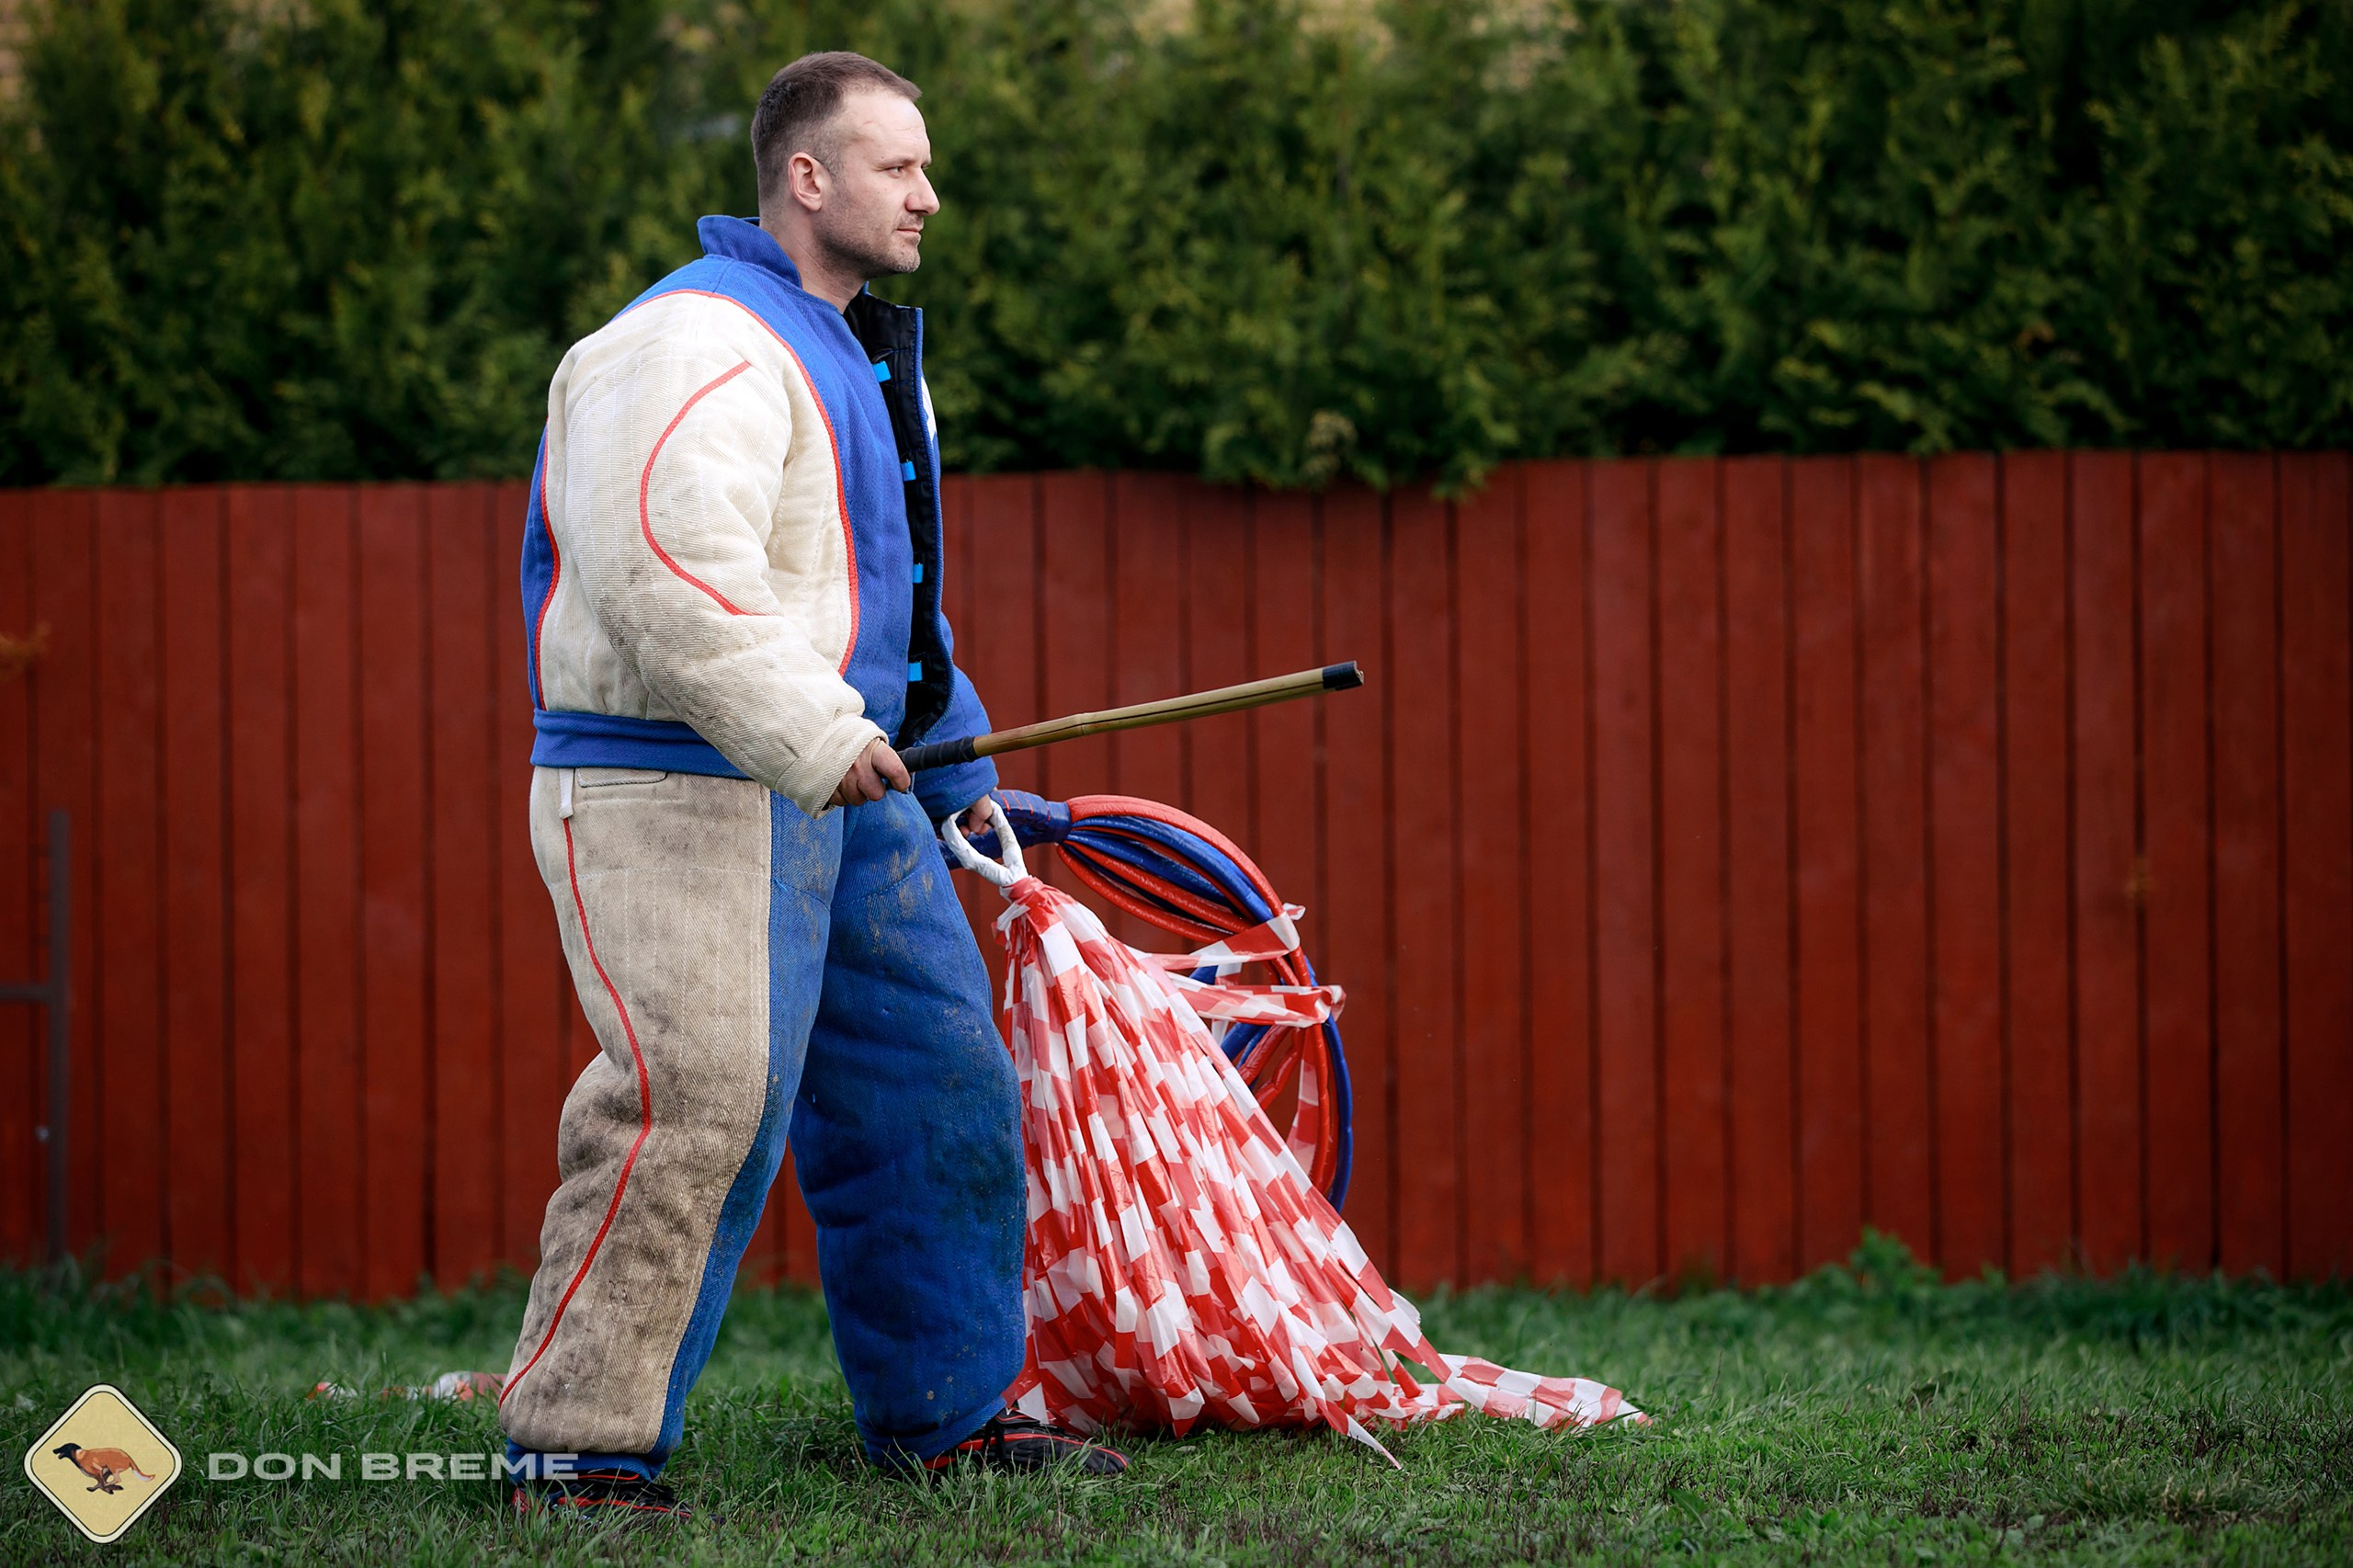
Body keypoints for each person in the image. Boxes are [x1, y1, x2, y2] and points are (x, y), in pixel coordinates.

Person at [499, 50, 1127, 1524]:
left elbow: (885, 599)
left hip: (848, 789)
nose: (929, 193)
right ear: (807, 176)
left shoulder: (857, 351)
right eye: (899, 165)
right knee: (692, 1105)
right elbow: (662, 562)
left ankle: (945, 1418)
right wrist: (812, 732)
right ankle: (577, 1448)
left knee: (937, 1084)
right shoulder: (690, 338)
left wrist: (957, 765)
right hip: (676, 783)